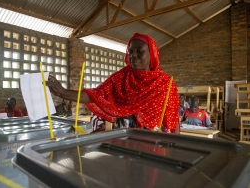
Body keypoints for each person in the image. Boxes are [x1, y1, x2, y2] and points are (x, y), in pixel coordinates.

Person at [46, 33, 179, 133]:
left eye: (140, 51)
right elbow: (95, 95)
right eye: (131, 51)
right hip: (123, 140)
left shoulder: (165, 83)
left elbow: (173, 120)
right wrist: (62, 92)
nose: (133, 55)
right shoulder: (121, 78)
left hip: (154, 143)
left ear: (152, 54)